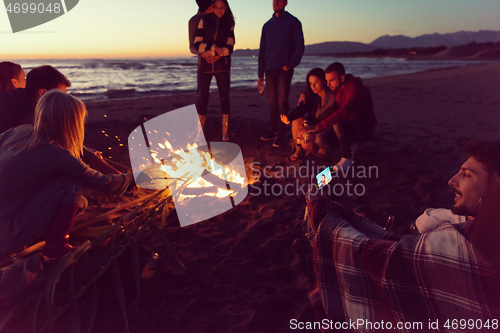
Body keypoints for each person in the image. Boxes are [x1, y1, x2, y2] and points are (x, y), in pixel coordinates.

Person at [305, 140, 500, 329]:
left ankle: (343, 163)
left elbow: (385, 260)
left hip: (352, 144)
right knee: (426, 219)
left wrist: (319, 209)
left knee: (425, 222)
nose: (451, 181)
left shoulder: (470, 247)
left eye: (466, 175)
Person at [0, 90, 134, 257]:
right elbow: (105, 183)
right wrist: (134, 177)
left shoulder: (19, 133)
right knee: (71, 183)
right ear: (73, 123)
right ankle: (57, 246)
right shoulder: (57, 154)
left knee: (80, 202)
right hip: (6, 237)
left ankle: (26, 239)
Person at [0, 65, 121, 174]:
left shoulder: (14, 99)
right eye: (59, 96)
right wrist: (117, 175)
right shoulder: (31, 116)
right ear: (42, 93)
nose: (63, 100)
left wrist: (85, 150)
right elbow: (65, 147)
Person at [305, 62, 377, 171]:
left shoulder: (355, 89)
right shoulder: (337, 88)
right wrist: (304, 94)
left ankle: (346, 158)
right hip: (345, 128)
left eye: (331, 80)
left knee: (338, 121)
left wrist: (318, 126)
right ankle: (350, 145)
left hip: (363, 129)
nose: (328, 84)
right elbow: (318, 89)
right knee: (320, 140)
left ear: (342, 78)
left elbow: (344, 112)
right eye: (327, 81)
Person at [258, 0, 304, 148]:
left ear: (285, 3)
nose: (276, 2)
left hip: (284, 69)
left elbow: (299, 46)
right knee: (272, 102)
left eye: (279, 0)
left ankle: (281, 134)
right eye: (274, 0)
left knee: (282, 101)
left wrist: (290, 64)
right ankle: (274, 130)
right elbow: (262, 51)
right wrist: (260, 74)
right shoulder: (267, 25)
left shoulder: (293, 22)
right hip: (269, 69)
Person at [193, 0, 235, 142]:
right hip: (205, 67)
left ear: (226, 7)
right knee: (203, 98)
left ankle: (225, 132)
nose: (218, 10)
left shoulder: (229, 23)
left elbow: (230, 47)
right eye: (216, 7)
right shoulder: (204, 20)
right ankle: (200, 132)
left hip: (222, 66)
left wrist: (218, 54)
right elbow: (196, 44)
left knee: (224, 97)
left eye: (221, 7)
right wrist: (213, 50)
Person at [280, 68, 335, 161]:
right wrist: (289, 117)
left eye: (316, 82)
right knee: (297, 121)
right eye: (310, 83)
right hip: (312, 127)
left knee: (307, 144)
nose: (313, 86)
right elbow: (302, 108)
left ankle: (322, 148)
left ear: (324, 81)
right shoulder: (311, 96)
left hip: (325, 129)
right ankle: (298, 150)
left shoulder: (333, 97)